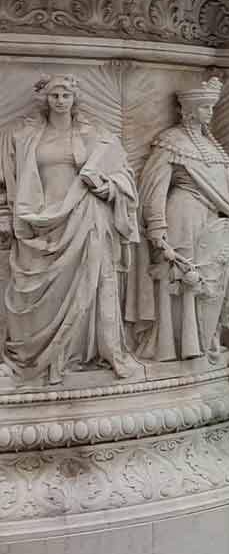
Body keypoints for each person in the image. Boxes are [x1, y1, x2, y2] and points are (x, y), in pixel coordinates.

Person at [0, 74, 142, 384]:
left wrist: (107, 188)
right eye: (55, 95)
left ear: (75, 99)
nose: (61, 101)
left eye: (66, 95)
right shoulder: (25, 137)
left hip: (84, 218)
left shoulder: (96, 136)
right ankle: (33, 358)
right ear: (46, 99)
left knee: (89, 288)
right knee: (33, 294)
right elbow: (10, 178)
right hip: (39, 221)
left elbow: (124, 176)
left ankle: (83, 354)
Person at [132, 76, 229, 364]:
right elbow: (154, 188)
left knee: (212, 284)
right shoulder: (172, 141)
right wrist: (157, 229)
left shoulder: (213, 147)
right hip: (183, 217)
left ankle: (206, 339)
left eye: (211, 107)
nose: (210, 113)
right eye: (206, 107)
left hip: (214, 222)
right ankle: (179, 345)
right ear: (190, 109)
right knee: (183, 284)